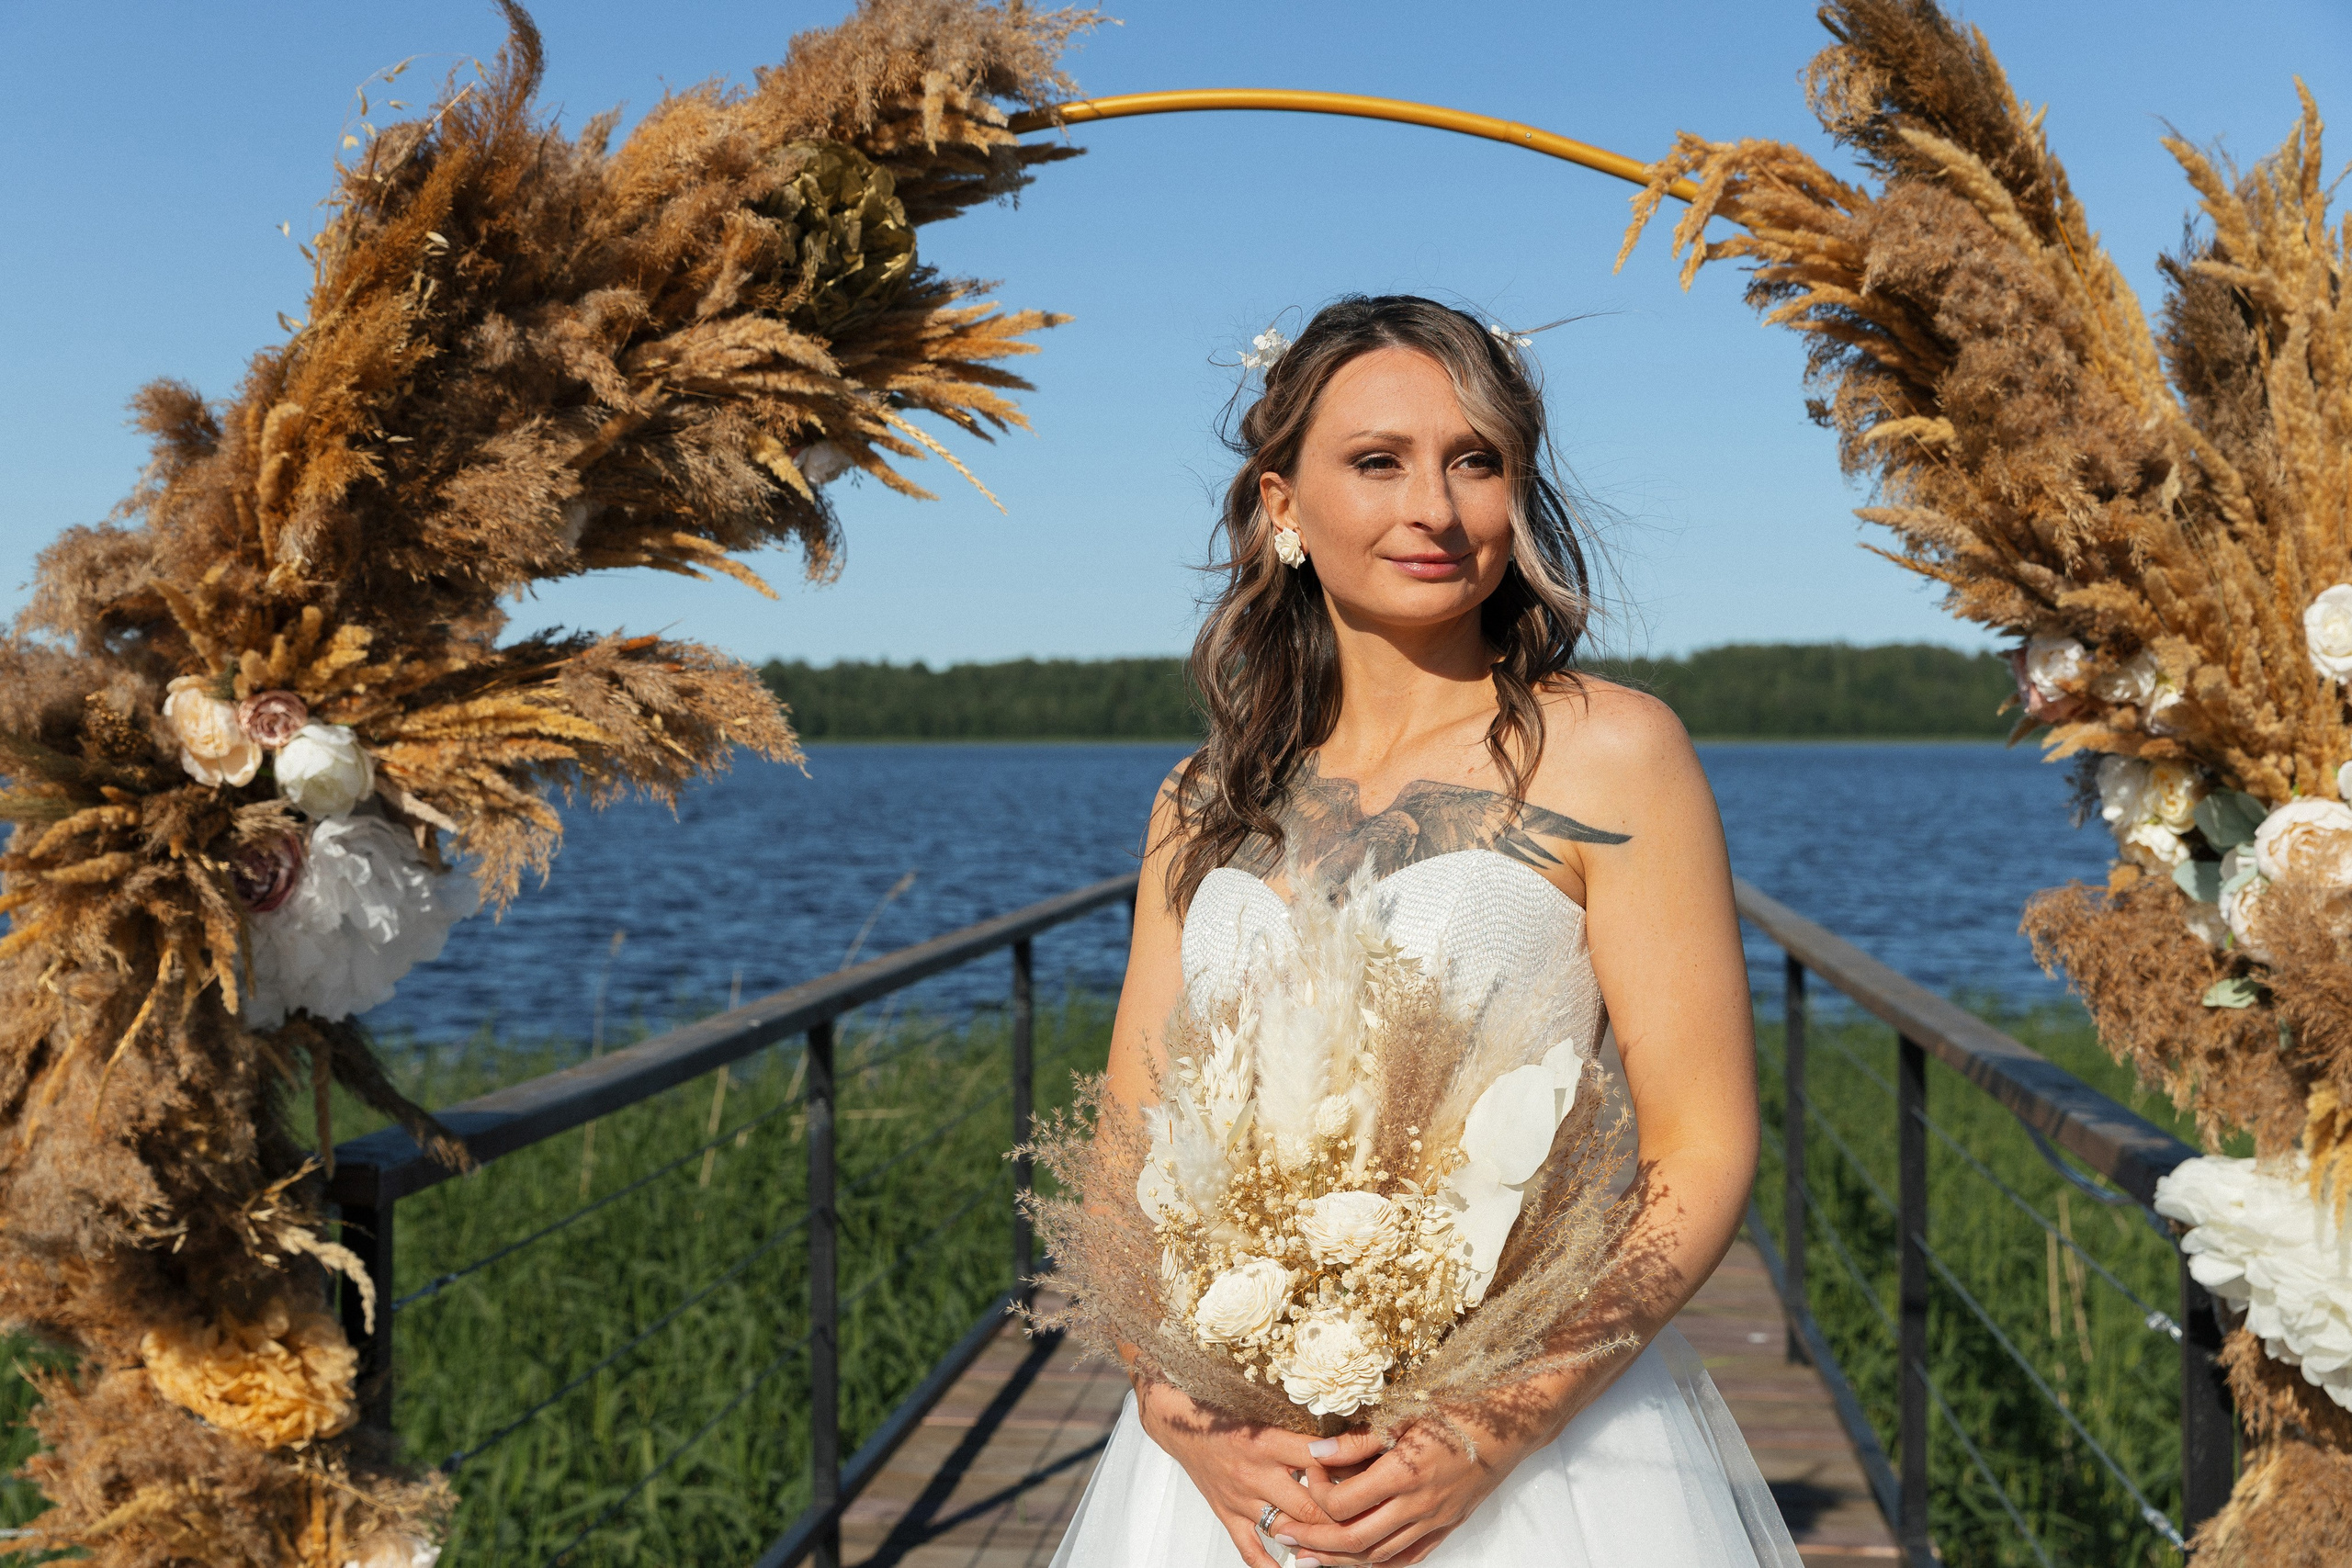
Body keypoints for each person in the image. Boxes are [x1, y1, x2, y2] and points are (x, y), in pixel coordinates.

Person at [1046, 296, 1800, 1567]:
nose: (1436, 510)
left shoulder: (1614, 754)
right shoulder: (1200, 801)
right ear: (1281, 504)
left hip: (1524, 1466)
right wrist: (1178, 1417)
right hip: (1235, 1476)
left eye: (1477, 462)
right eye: (1377, 462)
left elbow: (1702, 1143)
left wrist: (1497, 1427)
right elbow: (1129, 1153)